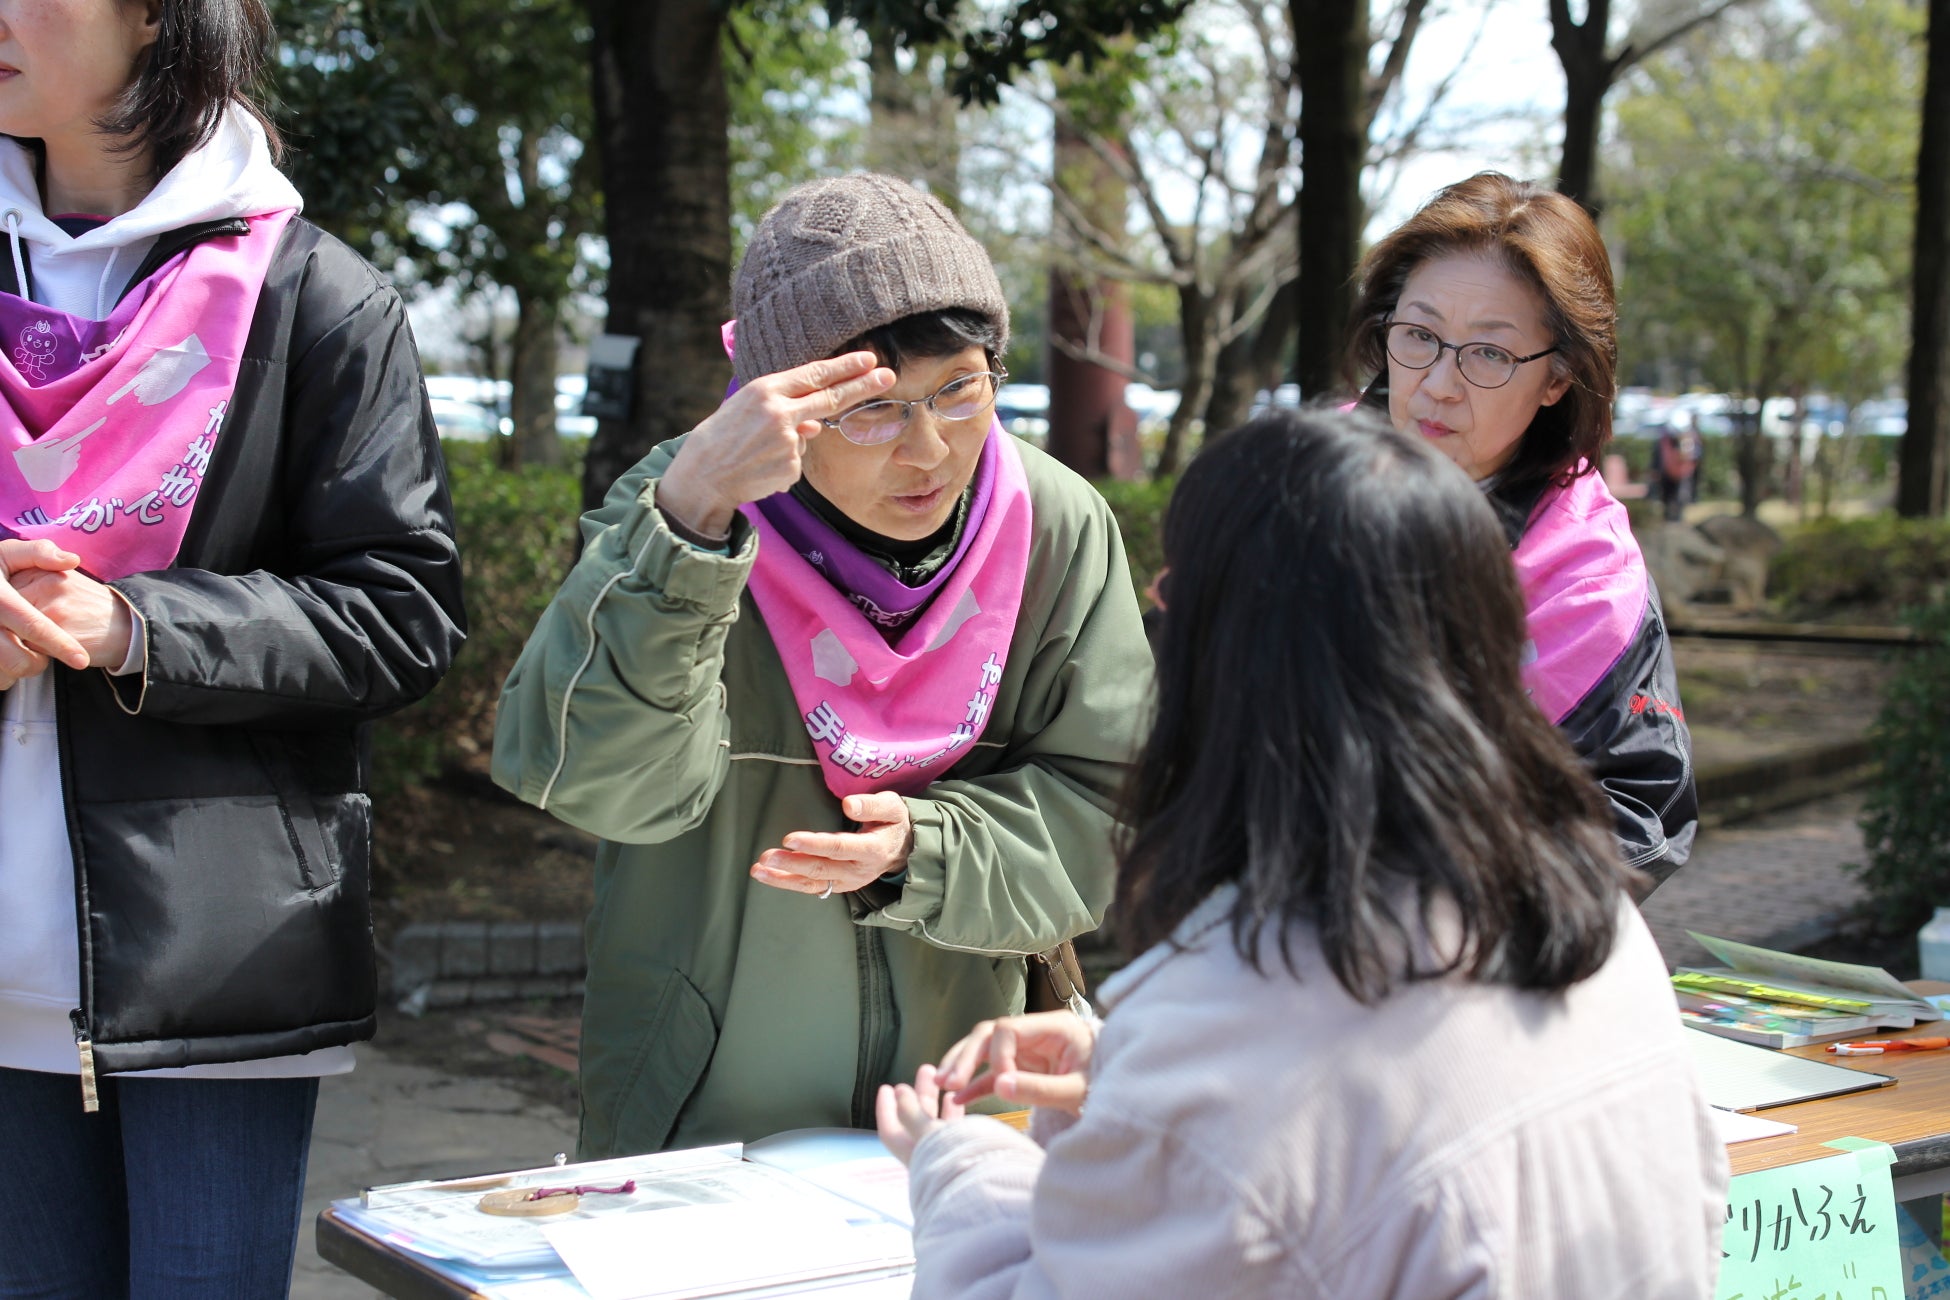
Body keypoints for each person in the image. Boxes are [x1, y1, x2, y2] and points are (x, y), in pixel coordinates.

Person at [877, 409, 1728, 1299]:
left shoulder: (1234, 1026)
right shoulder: (1591, 914)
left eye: (1183, 585)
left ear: (1227, 649)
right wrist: (1129, 1069)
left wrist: (962, 1169)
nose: (1162, 599)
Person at [492, 174, 1151, 1155]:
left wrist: (923, 850)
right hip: (706, 1130)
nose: (928, 450)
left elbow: (1109, 806)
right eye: (872, 408)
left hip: (968, 1114)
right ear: (784, 403)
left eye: (960, 389)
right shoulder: (682, 508)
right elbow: (602, 786)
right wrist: (687, 530)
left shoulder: (1054, 527)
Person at [0, 2, 465, 1294]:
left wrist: (134, 627)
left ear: (156, 14)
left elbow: (400, 612)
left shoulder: (314, 296)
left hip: (217, 961)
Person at [1346, 172, 1696, 887]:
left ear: (1558, 378)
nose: (1439, 383)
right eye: (1419, 335)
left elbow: (1632, 821)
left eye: (1489, 353)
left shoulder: (1590, 578)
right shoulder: (1293, 482)